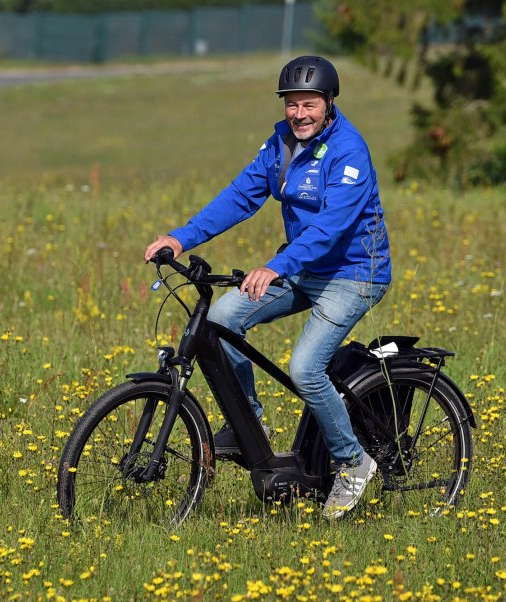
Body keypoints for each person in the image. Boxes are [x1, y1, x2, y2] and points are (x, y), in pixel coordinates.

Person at [144, 55, 392, 519]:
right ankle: (247, 422)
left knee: (304, 369)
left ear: (329, 103)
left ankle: (352, 461)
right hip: (303, 268)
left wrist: (276, 266)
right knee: (220, 321)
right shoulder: (281, 143)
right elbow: (241, 195)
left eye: (309, 104)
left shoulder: (349, 151)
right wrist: (182, 237)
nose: (299, 114)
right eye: (292, 104)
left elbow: (331, 229)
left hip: (353, 273)